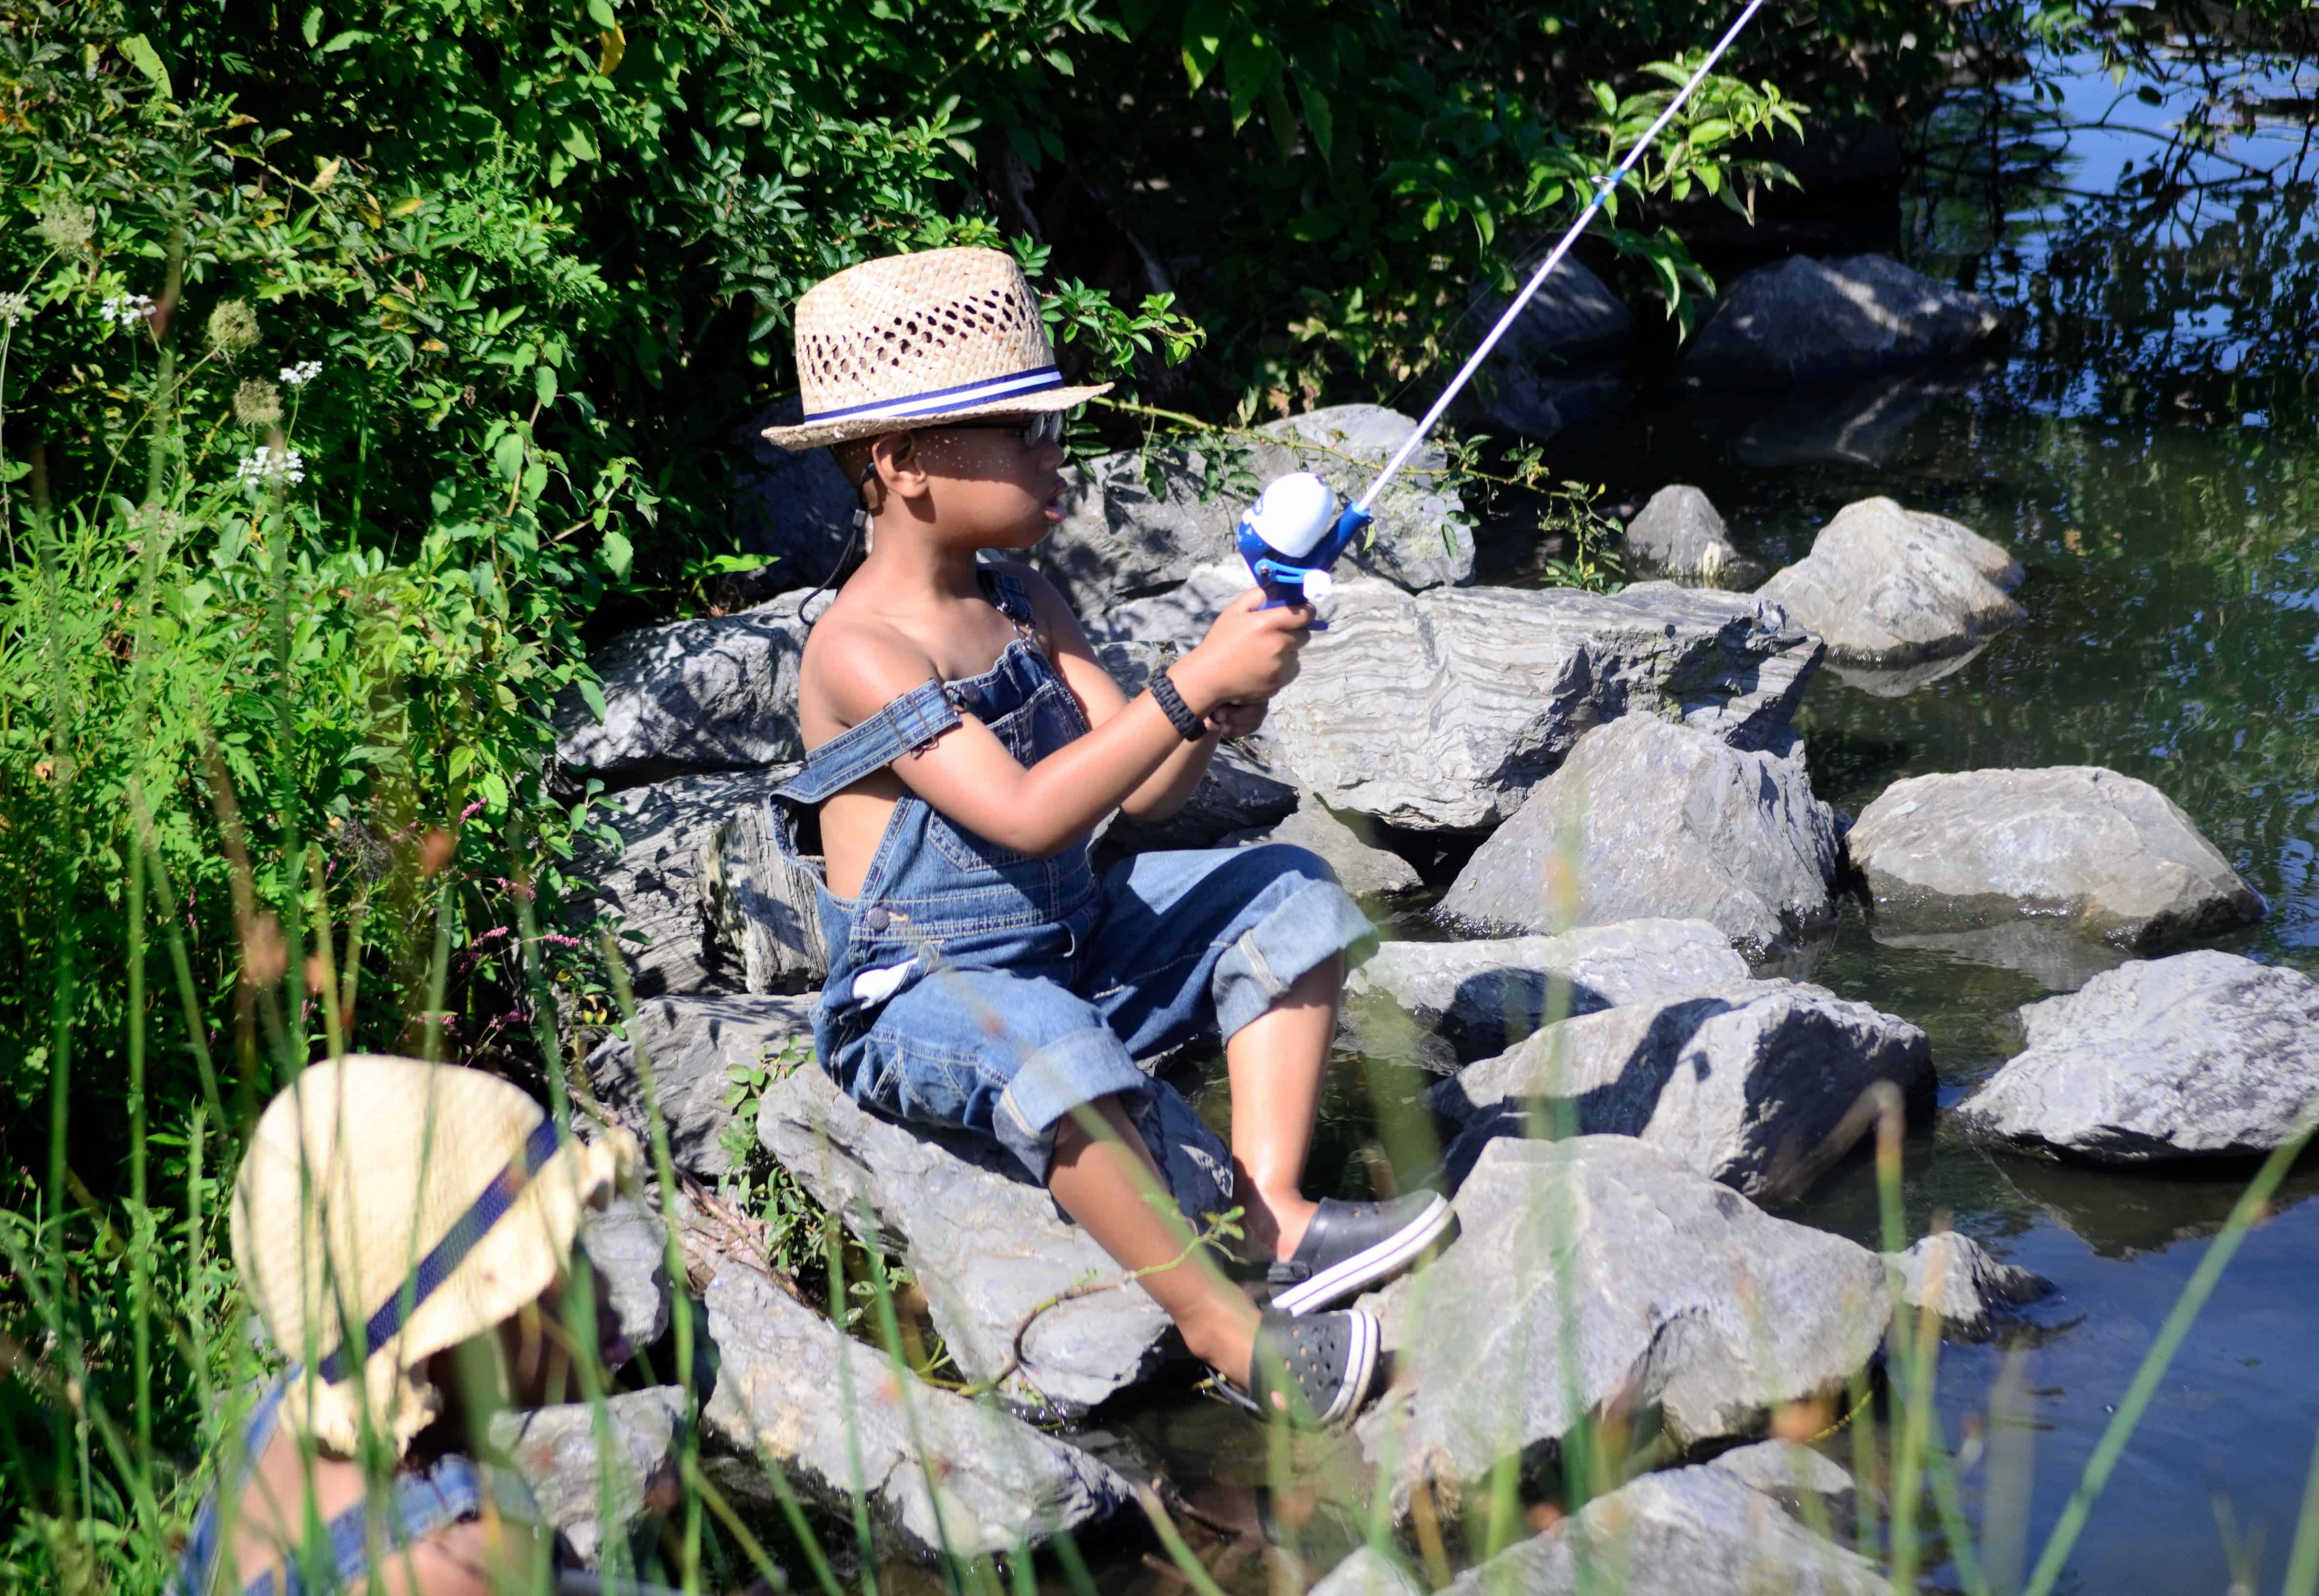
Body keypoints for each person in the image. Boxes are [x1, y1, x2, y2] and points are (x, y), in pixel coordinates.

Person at [764, 247, 1453, 1429]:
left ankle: (1271, 1208)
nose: (1055, 450)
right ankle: (1226, 1331)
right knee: (1038, 1039)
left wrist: (1232, 699)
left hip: (1072, 936)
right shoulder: (862, 650)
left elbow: (1138, 797)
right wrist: (1189, 684)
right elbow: (1028, 812)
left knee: (1285, 885)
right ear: (903, 464)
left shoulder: (1024, 596)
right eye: (1022, 426)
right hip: (927, 990)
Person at [173, 1053, 651, 1596]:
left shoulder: (301, 1412)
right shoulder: (452, 1566)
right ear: (469, 1321)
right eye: (565, 1251)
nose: (603, 1287)